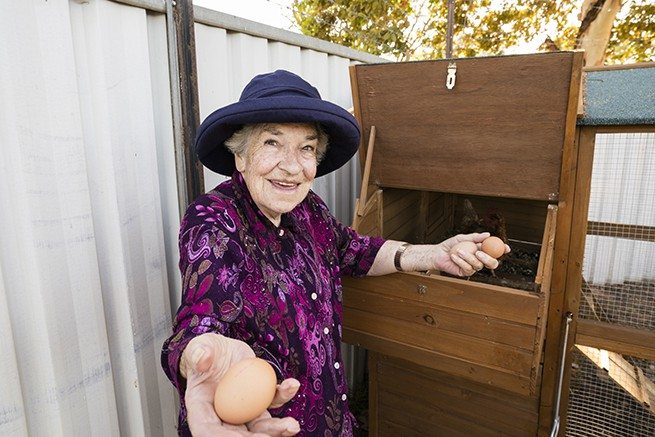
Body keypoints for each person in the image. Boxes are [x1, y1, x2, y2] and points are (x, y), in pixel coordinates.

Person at [161, 70, 508, 437]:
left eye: (306, 148)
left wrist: (432, 255)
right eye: (272, 143)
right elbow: (203, 319)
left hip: (331, 420)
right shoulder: (214, 220)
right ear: (240, 157)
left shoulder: (309, 208)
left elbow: (353, 249)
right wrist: (198, 356)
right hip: (264, 428)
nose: (293, 166)